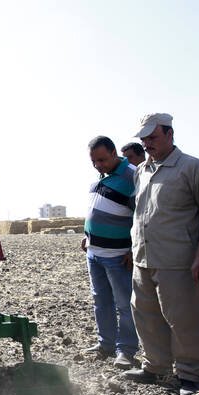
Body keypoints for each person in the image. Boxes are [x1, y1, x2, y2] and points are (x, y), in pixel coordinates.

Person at [122, 113, 199, 395]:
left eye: (153, 137)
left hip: (178, 257)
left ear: (170, 134)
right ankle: (155, 366)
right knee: (145, 313)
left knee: (185, 317)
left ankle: (190, 374)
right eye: (144, 139)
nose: (147, 144)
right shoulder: (141, 170)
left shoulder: (193, 168)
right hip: (144, 256)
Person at [80, 136, 138, 370]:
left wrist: (134, 250)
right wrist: (88, 234)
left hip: (118, 254)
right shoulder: (100, 178)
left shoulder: (132, 176)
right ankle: (106, 343)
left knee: (125, 304)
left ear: (115, 153)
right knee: (101, 301)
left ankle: (126, 350)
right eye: (94, 161)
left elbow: (142, 216)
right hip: (94, 253)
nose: (98, 165)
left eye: (102, 160)